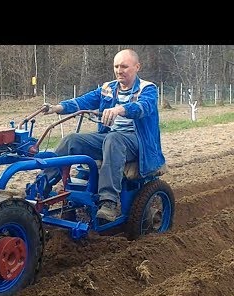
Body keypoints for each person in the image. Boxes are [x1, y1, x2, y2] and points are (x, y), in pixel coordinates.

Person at [43, 48, 165, 222]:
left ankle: (109, 202)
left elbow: (143, 107)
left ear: (137, 67)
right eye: (116, 66)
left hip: (138, 141)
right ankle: (42, 187)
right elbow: (83, 101)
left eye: (124, 66)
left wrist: (120, 109)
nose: (119, 70)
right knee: (71, 140)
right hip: (110, 138)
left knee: (113, 139)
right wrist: (57, 108)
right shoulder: (108, 88)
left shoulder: (148, 89)